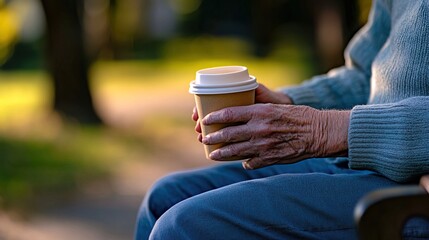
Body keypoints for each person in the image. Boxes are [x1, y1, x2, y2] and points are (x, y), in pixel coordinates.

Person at [135, 0, 429, 239]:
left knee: (183, 228)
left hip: (413, 186)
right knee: (163, 198)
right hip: (363, 160)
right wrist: (289, 103)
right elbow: (368, 75)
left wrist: (325, 130)